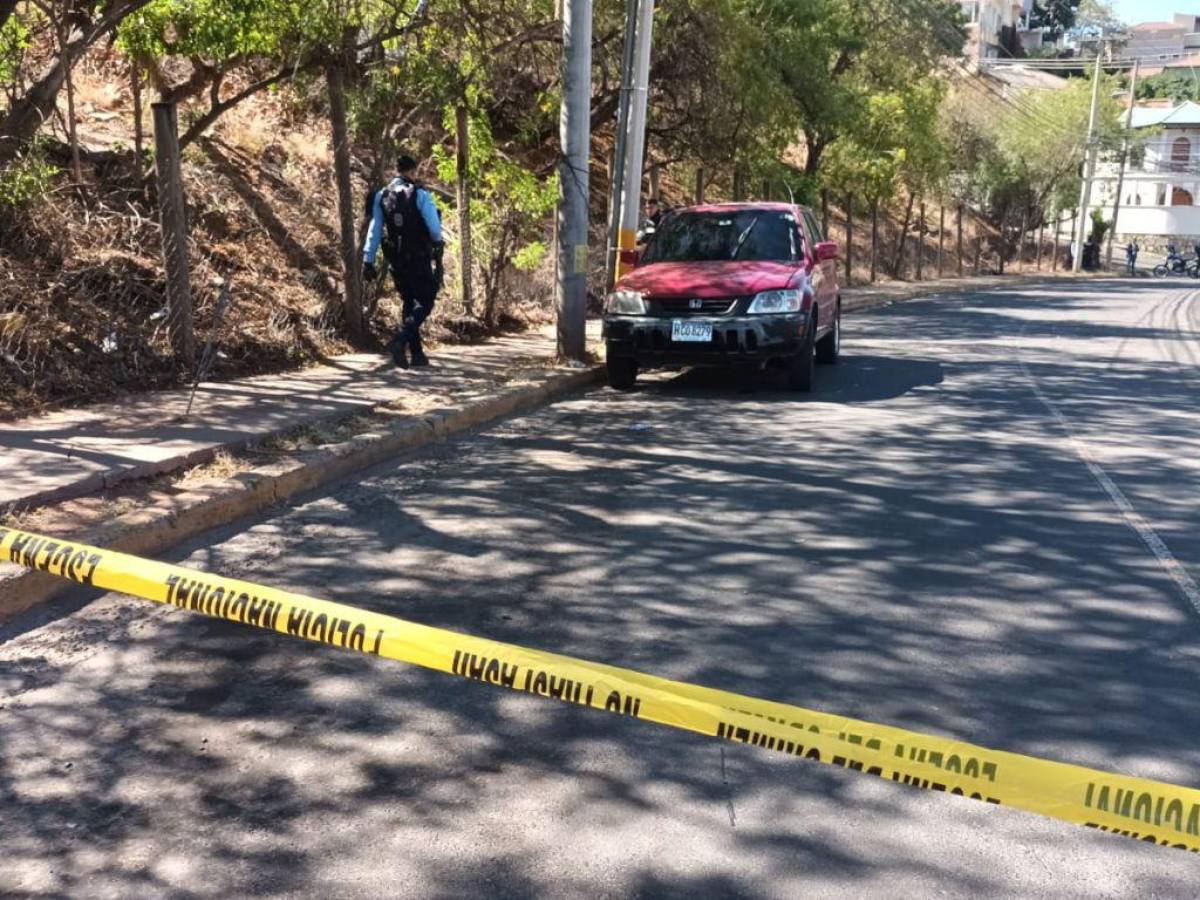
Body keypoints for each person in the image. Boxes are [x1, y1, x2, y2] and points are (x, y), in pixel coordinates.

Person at [362, 154, 444, 368]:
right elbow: (434, 228)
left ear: (396, 169)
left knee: (408, 301)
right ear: (413, 171)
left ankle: (417, 355)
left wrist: (368, 259)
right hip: (418, 256)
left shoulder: (382, 195)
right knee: (425, 300)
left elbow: (375, 229)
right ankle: (400, 339)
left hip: (396, 259)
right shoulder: (419, 194)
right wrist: (437, 244)